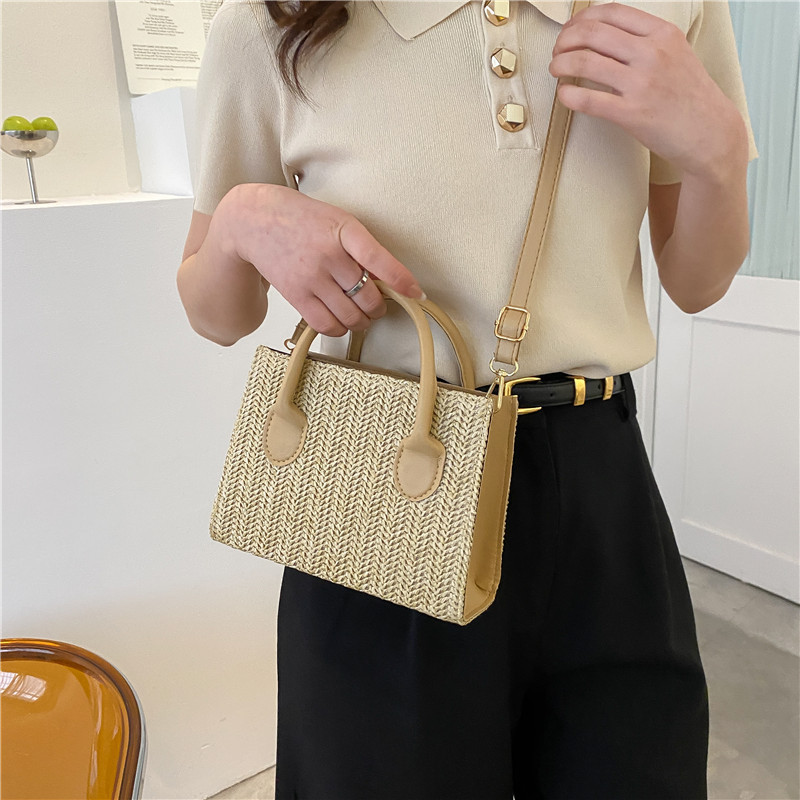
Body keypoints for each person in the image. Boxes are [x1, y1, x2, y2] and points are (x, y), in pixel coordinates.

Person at [177, 0, 759, 797]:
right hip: (383, 489)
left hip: (600, 482)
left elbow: (697, 281)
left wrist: (720, 151)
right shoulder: (273, 21)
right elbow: (216, 313)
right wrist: (241, 220)